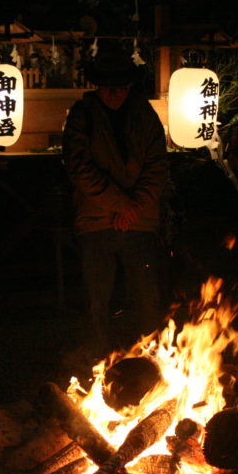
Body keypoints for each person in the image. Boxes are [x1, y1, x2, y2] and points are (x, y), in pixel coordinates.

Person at [62, 46, 169, 360]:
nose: (113, 95)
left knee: (148, 296)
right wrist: (120, 204)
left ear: (129, 87)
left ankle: (152, 359)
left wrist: (133, 206)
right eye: (107, 88)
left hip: (140, 219)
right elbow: (78, 165)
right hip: (97, 219)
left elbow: (157, 165)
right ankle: (97, 361)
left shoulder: (144, 115)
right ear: (97, 87)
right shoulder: (82, 115)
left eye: (120, 88)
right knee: (97, 297)